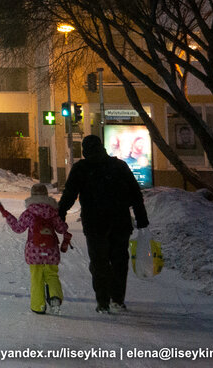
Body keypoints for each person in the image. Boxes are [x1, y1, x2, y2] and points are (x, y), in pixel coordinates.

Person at [58, 133, 150, 313]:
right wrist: (141, 218)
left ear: (84, 151)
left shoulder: (81, 168)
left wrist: (60, 214)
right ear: (102, 147)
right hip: (120, 222)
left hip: (94, 223)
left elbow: (70, 194)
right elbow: (135, 194)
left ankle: (103, 301)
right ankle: (117, 299)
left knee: (99, 261)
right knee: (119, 261)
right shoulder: (119, 166)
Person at [0, 183, 72, 314]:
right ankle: (55, 298)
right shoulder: (53, 213)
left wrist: (6, 214)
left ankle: (38, 306)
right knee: (52, 275)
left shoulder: (29, 213)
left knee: (37, 279)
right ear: (46, 195)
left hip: (34, 251)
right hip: (51, 251)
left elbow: (18, 228)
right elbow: (62, 229)